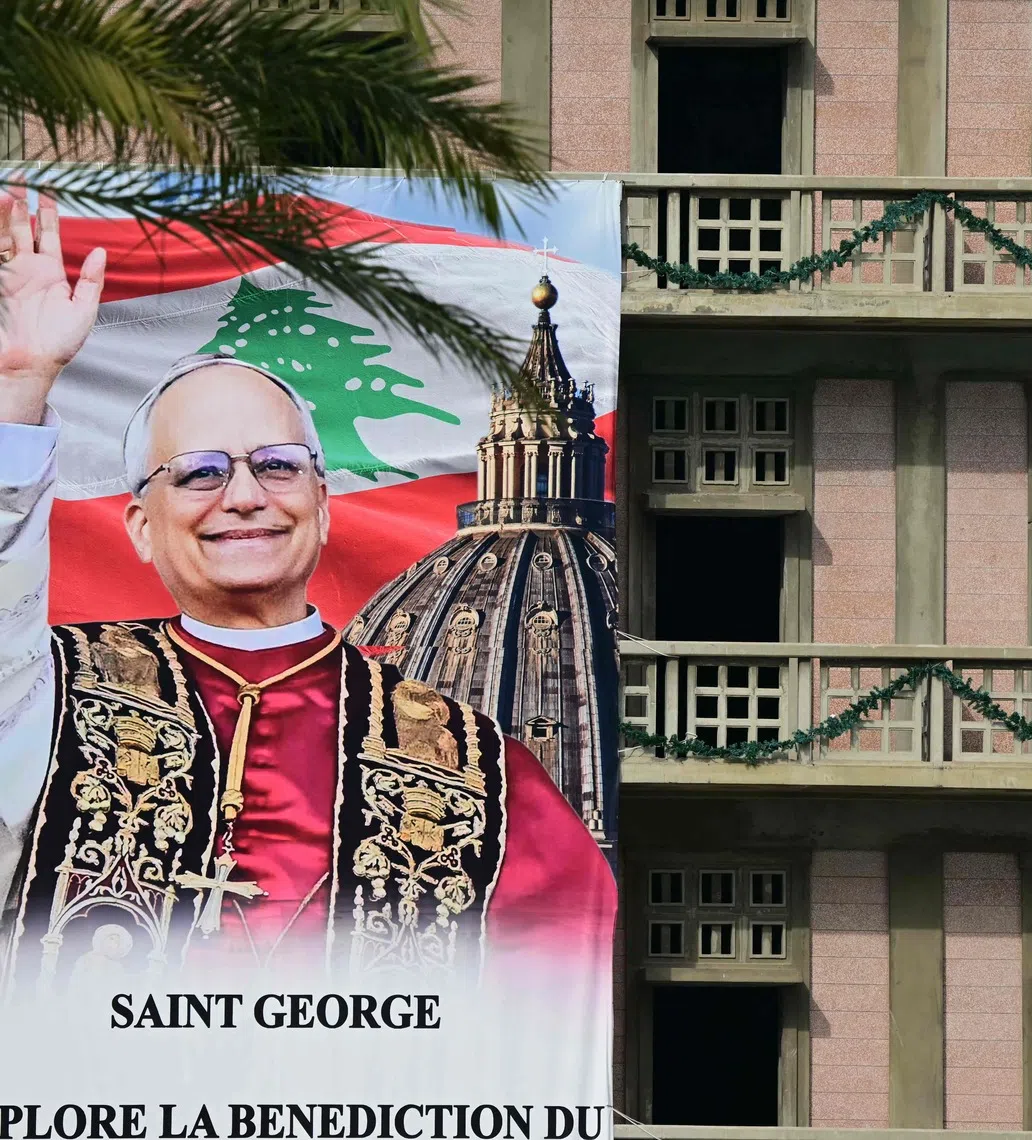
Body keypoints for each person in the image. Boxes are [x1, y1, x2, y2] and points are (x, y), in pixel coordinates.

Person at [0, 188, 615, 992]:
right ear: (141, 526)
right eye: (200, 474)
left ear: (324, 509)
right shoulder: (45, 693)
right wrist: (20, 389)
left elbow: (566, 1005)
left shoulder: (483, 769)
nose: (245, 495)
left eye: (278, 466)